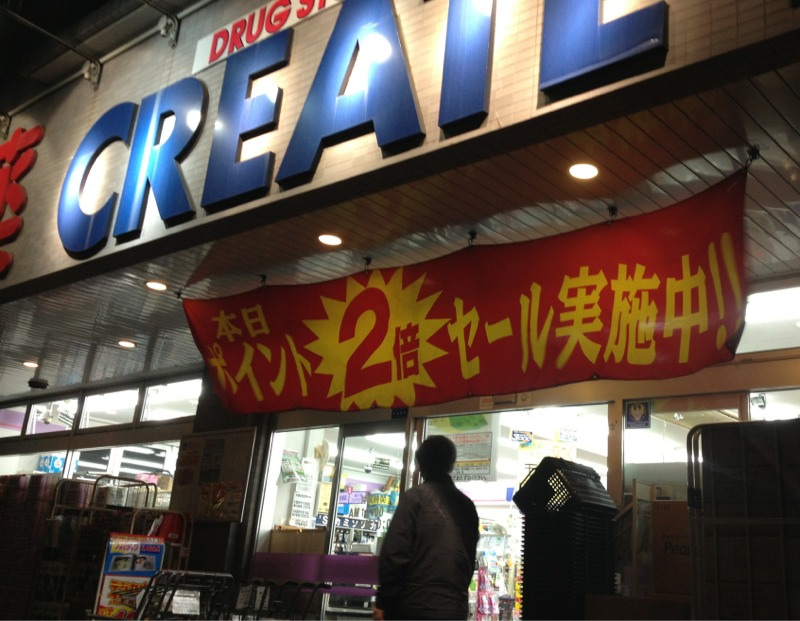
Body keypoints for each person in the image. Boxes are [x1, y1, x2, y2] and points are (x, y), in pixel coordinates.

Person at [374, 435, 479, 620]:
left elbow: (395, 554)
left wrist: (384, 601)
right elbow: (468, 561)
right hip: (454, 609)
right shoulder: (467, 506)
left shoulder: (414, 498)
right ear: (451, 464)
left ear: (420, 465)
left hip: (413, 607)